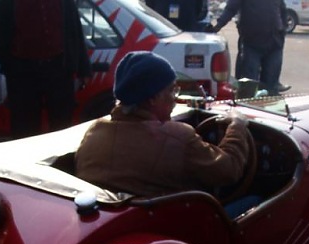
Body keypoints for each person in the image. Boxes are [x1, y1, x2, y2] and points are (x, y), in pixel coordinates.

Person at [75, 51, 255, 217]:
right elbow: (229, 169)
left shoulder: (95, 131)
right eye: (171, 90)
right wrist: (237, 125)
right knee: (256, 201)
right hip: (171, 229)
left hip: (113, 225)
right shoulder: (178, 137)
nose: (175, 99)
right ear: (152, 98)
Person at [0, 0, 91, 139]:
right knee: (25, 129)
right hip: (23, 72)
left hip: (58, 68)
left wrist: (83, 69)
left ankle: (62, 160)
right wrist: (10, 68)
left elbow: (74, 28)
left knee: (62, 126)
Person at [208, 0, 291, 95]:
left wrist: (282, 31)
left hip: (274, 44)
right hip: (251, 44)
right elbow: (231, 8)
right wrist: (217, 26)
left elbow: (283, 9)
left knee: (271, 88)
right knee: (248, 87)